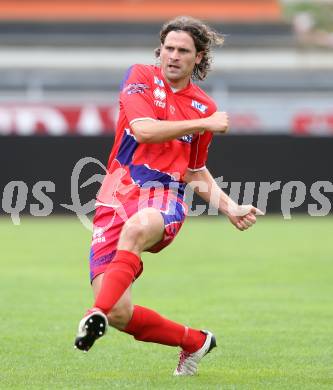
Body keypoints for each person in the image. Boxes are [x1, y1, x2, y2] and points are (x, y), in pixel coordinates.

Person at [74, 16, 263, 376]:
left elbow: (193, 171)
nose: (173, 56)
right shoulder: (141, 78)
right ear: (160, 50)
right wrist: (203, 124)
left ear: (199, 57)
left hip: (164, 196)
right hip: (115, 197)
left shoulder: (203, 106)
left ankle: (90, 315)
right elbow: (144, 131)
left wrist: (229, 206)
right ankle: (194, 340)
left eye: (183, 51)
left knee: (136, 231)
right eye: (168, 48)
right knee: (118, 312)